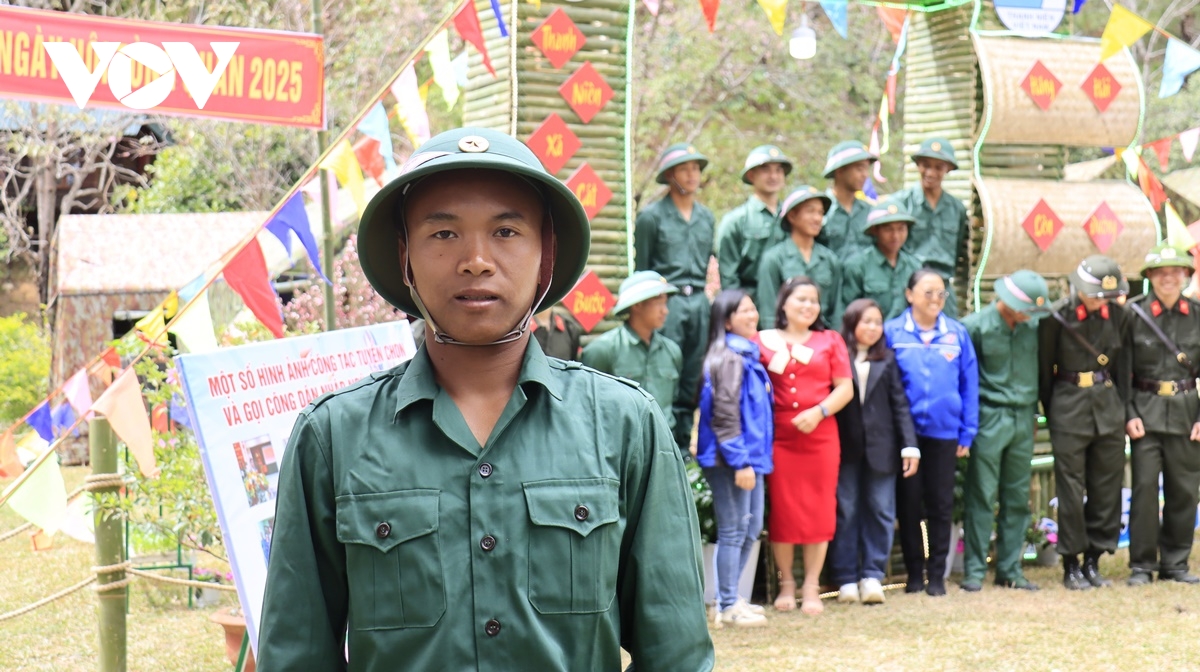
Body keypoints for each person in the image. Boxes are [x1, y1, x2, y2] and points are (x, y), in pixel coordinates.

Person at [257, 128, 714, 670]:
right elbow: (297, 656)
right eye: (444, 233)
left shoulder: (625, 424)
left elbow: (676, 653)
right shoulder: (334, 437)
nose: (475, 260)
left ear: (546, 255)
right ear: (405, 257)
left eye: (505, 231)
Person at [754, 277, 854, 615]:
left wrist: (820, 411)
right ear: (784, 303)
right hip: (780, 438)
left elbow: (845, 388)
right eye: (801, 299)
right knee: (783, 510)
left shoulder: (831, 340)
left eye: (814, 300)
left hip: (821, 436)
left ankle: (812, 585)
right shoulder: (762, 340)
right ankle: (787, 584)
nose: (808, 306)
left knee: (819, 509)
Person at [1037, 255, 1130, 590]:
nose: (1098, 300)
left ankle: (1094, 558)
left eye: (1104, 295)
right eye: (1093, 293)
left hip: (1108, 408)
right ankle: (1071, 563)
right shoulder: (1056, 318)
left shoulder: (1120, 316)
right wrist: (1054, 410)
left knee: (1106, 487)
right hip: (1068, 406)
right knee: (1071, 490)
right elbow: (1045, 372)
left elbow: (1123, 368)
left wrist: (1124, 411)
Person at [885, 269, 978, 596]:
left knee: (940, 504)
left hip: (944, 432)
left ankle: (937, 575)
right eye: (928, 293)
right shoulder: (893, 332)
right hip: (905, 436)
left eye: (941, 293)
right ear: (909, 295)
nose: (935, 299)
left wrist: (967, 431)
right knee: (908, 504)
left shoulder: (956, 333)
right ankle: (913, 574)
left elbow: (969, 384)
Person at [960, 270, 1051, 593]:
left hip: (1024, 417)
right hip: (989, 416)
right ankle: (973, 570)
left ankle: (1010, 569)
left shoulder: (1035, 326)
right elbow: (964, 378)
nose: (1030, 315)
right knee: (982, 494)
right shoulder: (975, 327)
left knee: (1017, 496)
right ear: (1009, 304)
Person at [831, 298, 919, 605]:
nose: (872, 327)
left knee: (882, 511)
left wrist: (910, 446)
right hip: (844, 448)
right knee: (846, 511)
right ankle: (844, 578)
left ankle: (872, 576)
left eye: (877, 322)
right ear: (852, 322)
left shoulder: (889, 359)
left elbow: (900, 405)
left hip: (884, 449)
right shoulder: (837, 355)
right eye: (866, 321)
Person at [696, 289, 773, 627]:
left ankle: (732, 597)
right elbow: (724, 415)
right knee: (732, 529)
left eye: (754, 309)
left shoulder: (747, 354)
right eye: (744, 311)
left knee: (751, 527)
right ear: (727, 320)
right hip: (731, 460)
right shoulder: (728, 357)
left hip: (750, 458)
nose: (753, 315)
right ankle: (726, 605)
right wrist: (740, 461)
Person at [1125, 242, 1200, 586]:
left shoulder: (1198, 315)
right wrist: (1128, 412)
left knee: (1184, 489)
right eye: (1160, 272)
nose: (1168, 278)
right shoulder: (1133, 314)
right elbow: (1120, 370)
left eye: (1175, 271)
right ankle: (1142, 564)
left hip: (1187, 414)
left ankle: (1175, 562)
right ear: (1150, 277)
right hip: (1145, 412)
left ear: (1186, 275)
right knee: (1142, 488)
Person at [635, 143, 715, 454]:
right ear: (670, 175)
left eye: (696, 168)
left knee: (693, 378)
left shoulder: (706, 217)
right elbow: (642, 271)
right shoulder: (651, 218)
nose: (692, 175)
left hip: (699, 303)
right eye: (684, 169)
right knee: (665, 373)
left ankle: (683, 450)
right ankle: (659, 450)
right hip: (666, 303)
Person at [581, 270, 682, 436]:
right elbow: (587, 408)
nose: (665, 311)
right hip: (619, 448)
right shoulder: (603, 350)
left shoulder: (672, 352)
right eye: (658, 303)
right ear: (637, 305)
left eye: (666, 303)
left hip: (664, 447)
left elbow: (676, 404)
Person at [894, 137, 969, 318]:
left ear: (948, 169)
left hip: (943, 285)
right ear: (918, 165)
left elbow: (959, 248)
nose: (930, 172)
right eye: (925, 165)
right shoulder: (903, 203)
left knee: (952, 332)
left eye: (938, 167)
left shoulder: (956, 209)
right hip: (909, 283)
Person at [756, 185, 841, 329]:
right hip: (785, 339)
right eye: (810, 211)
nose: (817, 218)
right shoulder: (774, 259)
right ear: (792, 216)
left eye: (820, 213)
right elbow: (768, 311)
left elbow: (837, 309)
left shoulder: (830, 259)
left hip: (822, 339)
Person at [716, 145, 792, 297]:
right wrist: (741, 308)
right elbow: (729, 277)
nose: (773, 176)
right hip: (752, 302)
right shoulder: (735, 221)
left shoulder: (793, 216)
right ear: (751, 175)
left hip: (790, 302)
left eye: (778, 170)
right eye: (766, 170)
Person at [837, 200, 922, 324]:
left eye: (901, 229)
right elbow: (848, 311)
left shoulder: (914, 266)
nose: (896, 236)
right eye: (888, 230)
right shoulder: (857, 266)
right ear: (875, 231)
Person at [816, 140, 876, 257]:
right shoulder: (819, 210)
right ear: (839, 171)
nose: (865, 175)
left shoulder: (870, 211)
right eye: (859, 169)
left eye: (866, 169)